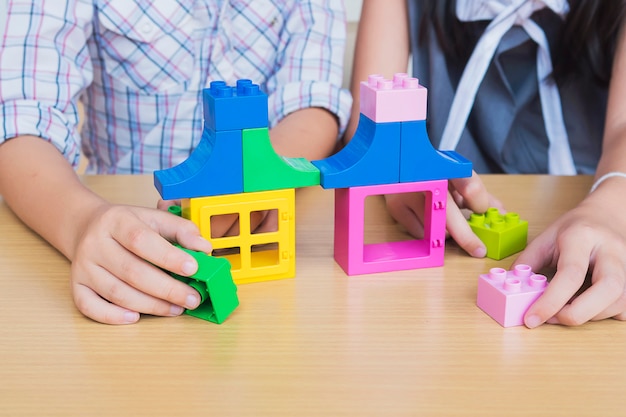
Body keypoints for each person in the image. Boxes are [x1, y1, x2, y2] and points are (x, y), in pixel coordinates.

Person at [0, 1, 351, 325]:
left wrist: (254, 187)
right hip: (115, 214)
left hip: (260, 264)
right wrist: (80, 222)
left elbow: (312, 102)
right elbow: (21, 117)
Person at [348, 0, 626, 327]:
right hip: (451, 228)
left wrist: (611, 205)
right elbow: (367, 127)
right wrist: (399, 173)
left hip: (587, 197)